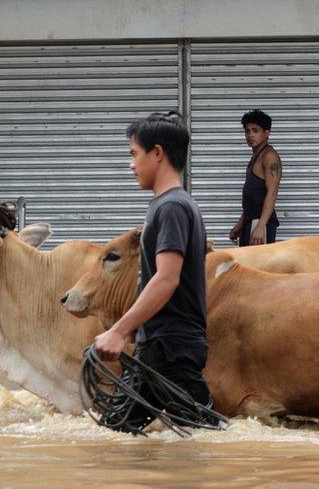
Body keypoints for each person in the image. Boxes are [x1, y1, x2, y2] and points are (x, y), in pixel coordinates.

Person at [94, 111, 213, 432]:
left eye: (134, 154)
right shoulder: (176, 205)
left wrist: (118, 331)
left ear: (157, 153)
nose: (130, 165)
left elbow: (167, 278)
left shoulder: (171, 207)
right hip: (163, 346)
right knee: (120, 434)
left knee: (201, 435)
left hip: (168, 348)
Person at [229, 110, 282, 246]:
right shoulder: (256, 157)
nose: (250, 135)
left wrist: (260, 226)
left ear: (266, 133)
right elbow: (252, 198)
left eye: (255, 130)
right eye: (247, 131)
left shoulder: (269, 157)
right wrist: (240, 224)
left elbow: (272, 192)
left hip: (260, 223)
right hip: (250, 222)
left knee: (256, 266)